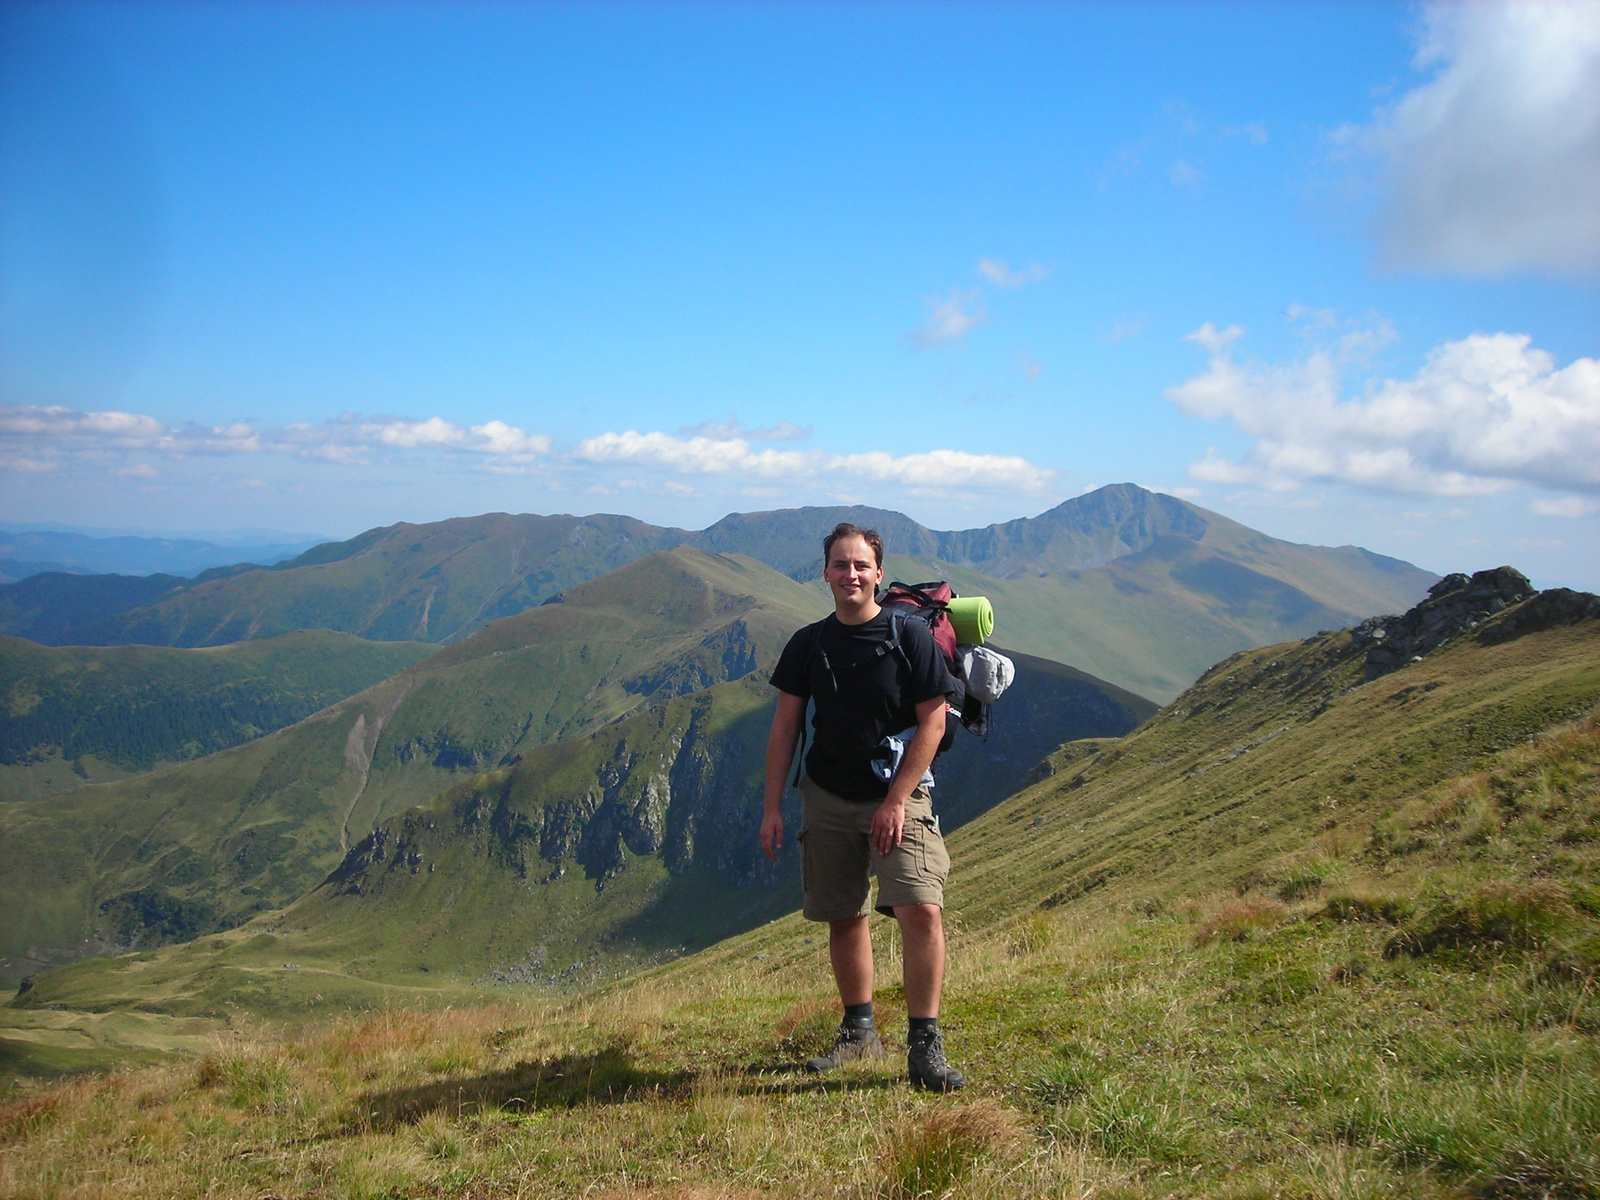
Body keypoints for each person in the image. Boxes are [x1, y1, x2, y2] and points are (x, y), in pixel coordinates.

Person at [760, 522, 964, 1092]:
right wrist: (772, 807)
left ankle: (925, 1043)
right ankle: (859, 1032)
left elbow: (934, 718)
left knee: (920, 907)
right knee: (843, 915)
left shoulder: (909, 636)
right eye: (839, 565)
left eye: (860, 566)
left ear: (878, 573)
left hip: (898, 795)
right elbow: (785, 727)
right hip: (826, 795)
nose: (850, 575)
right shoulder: (808, 642)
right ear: (824, 572)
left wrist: (897, 800)